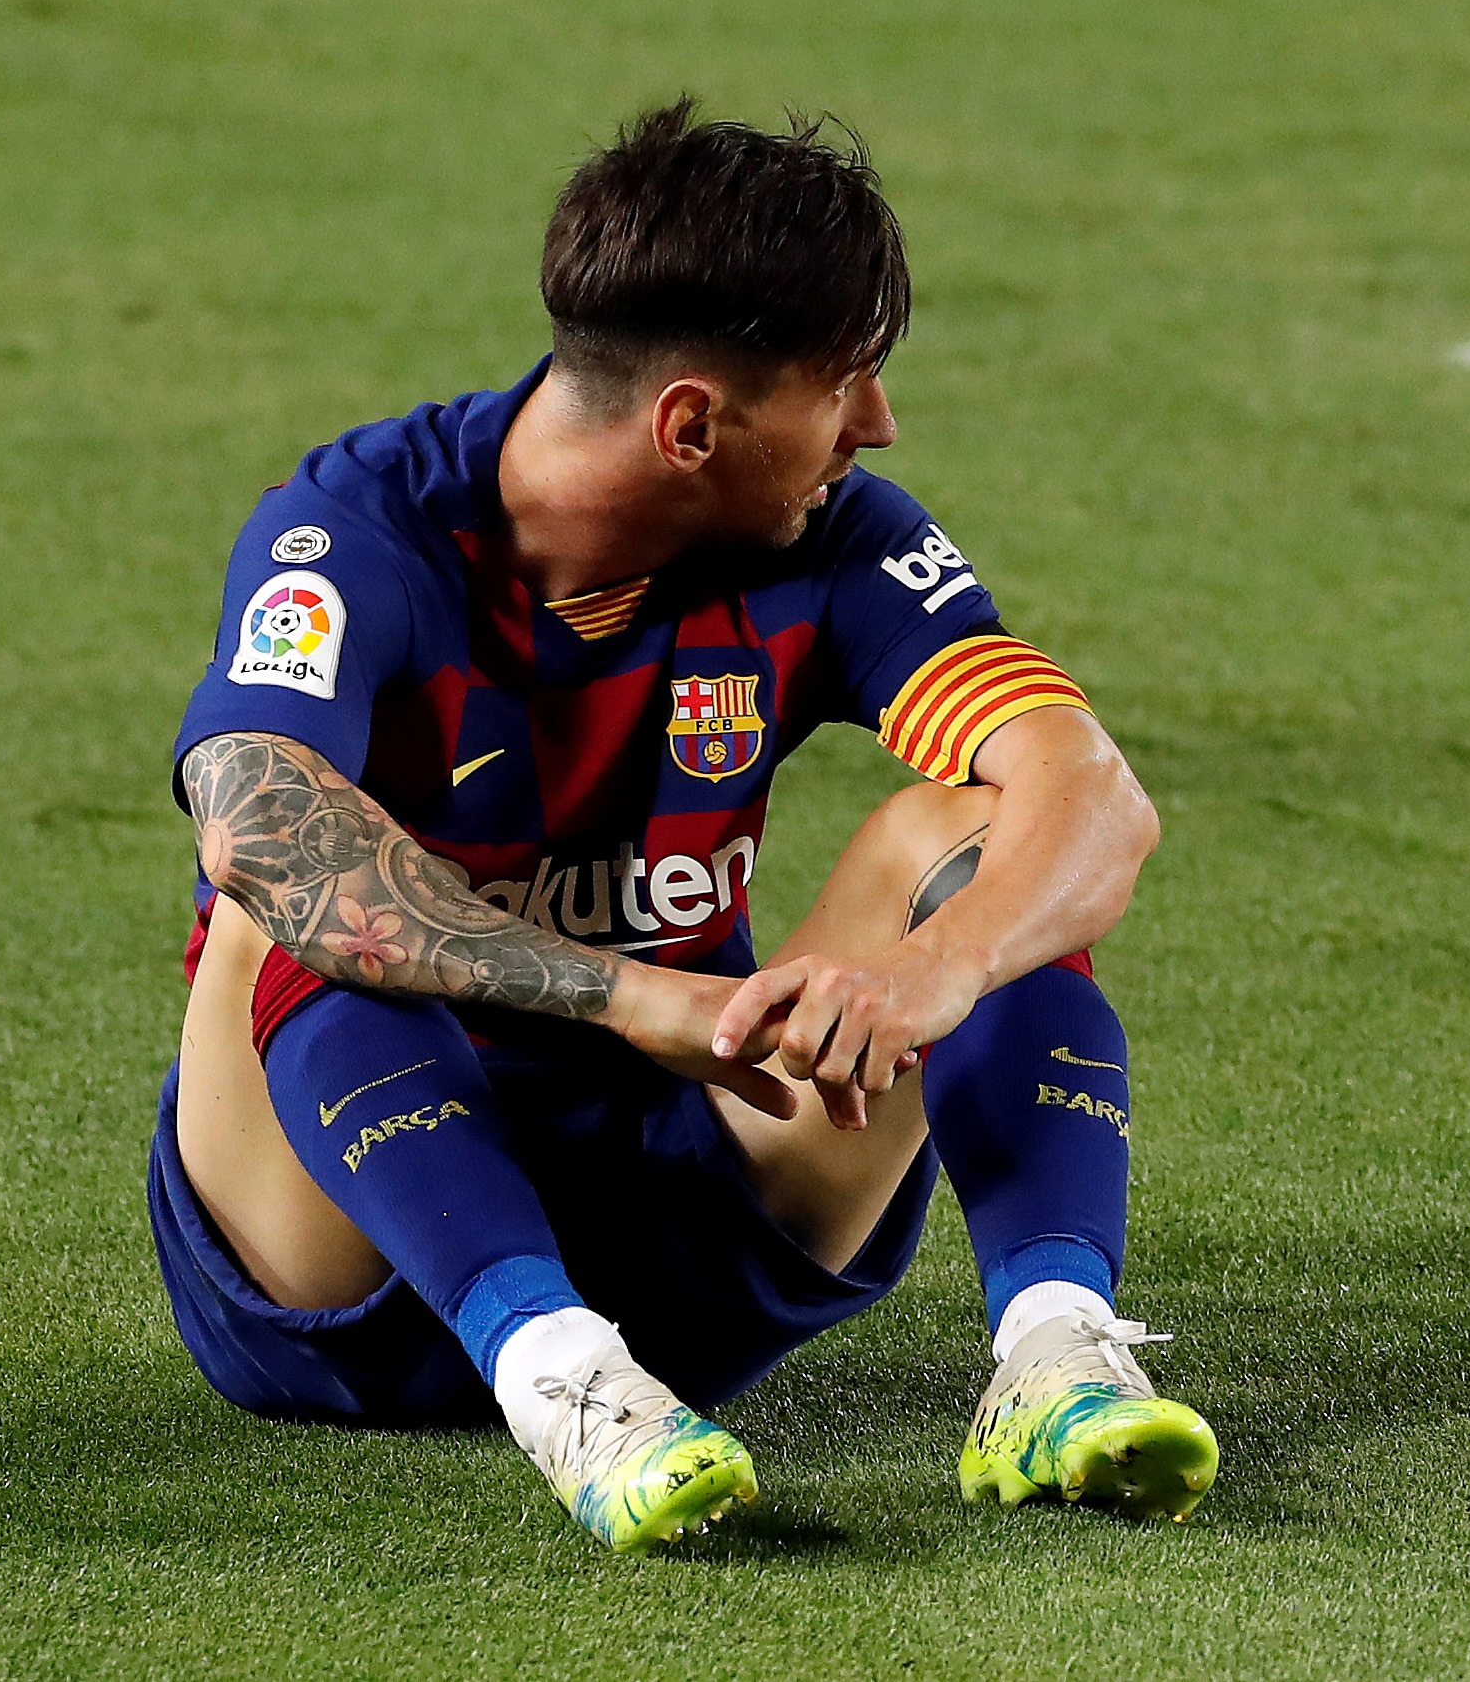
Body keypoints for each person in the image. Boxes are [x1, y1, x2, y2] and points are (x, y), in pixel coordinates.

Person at [149, 100, 1216, 1552]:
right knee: (313, 874)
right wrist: (634, 992)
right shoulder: (359, 531)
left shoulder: (842, 536)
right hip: (346, 1266)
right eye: (844, 387)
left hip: (681, 1224)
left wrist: (940, 967)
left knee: (972, 840)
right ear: (693, 422)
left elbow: (1093, 797)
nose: (879, 426)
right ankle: (560, 1377)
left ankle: (1054, 1347)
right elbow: (258, 833)